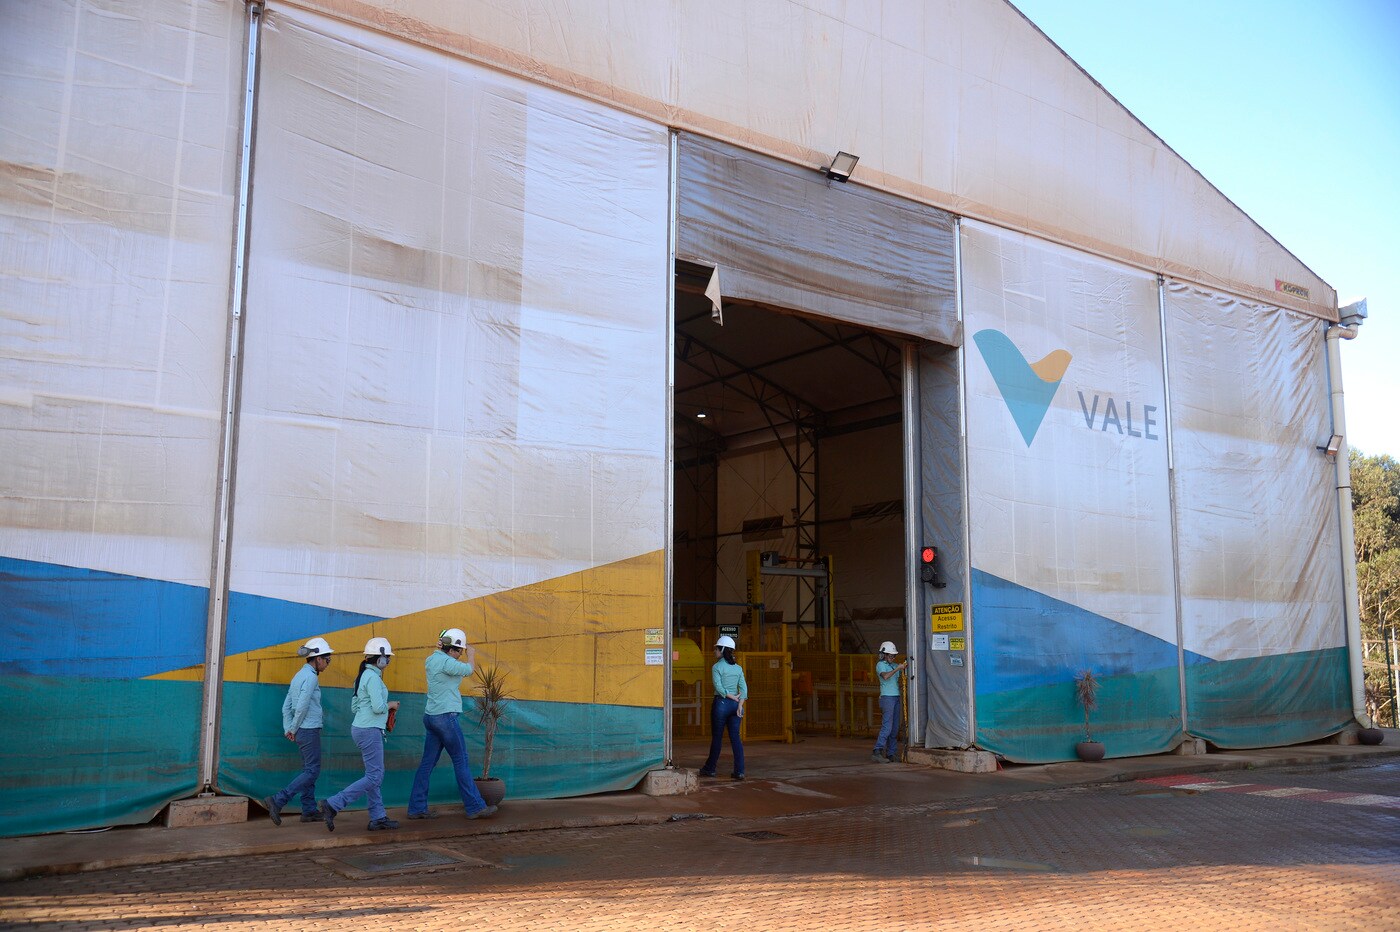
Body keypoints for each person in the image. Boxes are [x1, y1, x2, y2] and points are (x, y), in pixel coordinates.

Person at [406, 627, 498, 820]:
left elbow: (443, 657)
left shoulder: (431, 659)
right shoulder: (448, 662)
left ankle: (416, 807)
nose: (461, 654)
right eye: (461, 651)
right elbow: (468, 669)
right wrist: (471, 655)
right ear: (454, 649)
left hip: (430, 717)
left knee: (427, 764)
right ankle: (475, 806)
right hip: (445, 718)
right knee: (460, 760)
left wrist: (444, 648)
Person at [320, 636, 401, 832]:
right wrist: (390, 705)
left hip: (362, 728)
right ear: (380, 659)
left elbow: (355, 705)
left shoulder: (363, 675)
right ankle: (333, 804)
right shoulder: (372, 677)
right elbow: (378, 706)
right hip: (369, 731)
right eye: (387, 658)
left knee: (373, 775)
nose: (388, 661)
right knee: (374, 777)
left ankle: (378, 817)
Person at [262, 637, 334, 825]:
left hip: (301, 730)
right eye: (327, 659)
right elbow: (301, 707)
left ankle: (308, 810)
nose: (328, 663)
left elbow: (287, 706)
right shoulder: (310, 677)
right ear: (317, 659)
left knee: (308, 770)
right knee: (312, 771)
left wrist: (289, 728)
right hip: (308, 730)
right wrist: (293, 728)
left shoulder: (298, 676)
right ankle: (278, 800)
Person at [698, 635, 747, 780]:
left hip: (722, 703)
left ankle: (710, 768)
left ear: (722, 650)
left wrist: (729, 696)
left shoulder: (717, 667)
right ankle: (739, 771)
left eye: (716, 649)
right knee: (735, 738)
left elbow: (718, 687)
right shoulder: (738, 668)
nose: (714, 651)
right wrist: (740, 704)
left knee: (717, 738)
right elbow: (743, 688)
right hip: (735, 705)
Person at [873, 641, 908, 763]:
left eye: (893, 656)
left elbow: (903, 674)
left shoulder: (894, 666)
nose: (892, 658)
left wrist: (903, 667)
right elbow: (885, 677)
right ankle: (877, 750)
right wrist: (898, 668)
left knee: (894, 728)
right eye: (890, 655)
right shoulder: (880, 665)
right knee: (887, 726)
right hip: (887, 698)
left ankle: (891, 753)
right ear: (883, 655)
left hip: (895, 697)